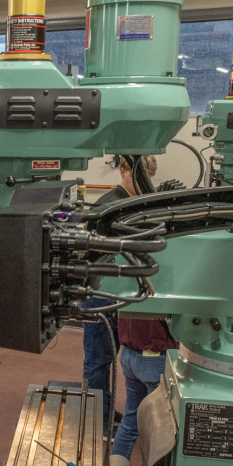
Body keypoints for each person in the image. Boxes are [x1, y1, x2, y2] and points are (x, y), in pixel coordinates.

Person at [83, 155, 159, 440]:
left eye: (147, 181)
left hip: (124, 294)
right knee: (98, 360)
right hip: (100, 294)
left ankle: (105, 410)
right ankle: (97, 423)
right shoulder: (107, 207)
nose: (143, 187)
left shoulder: (141, 204)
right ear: (124, 172)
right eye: (138, 180)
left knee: (119, 357)